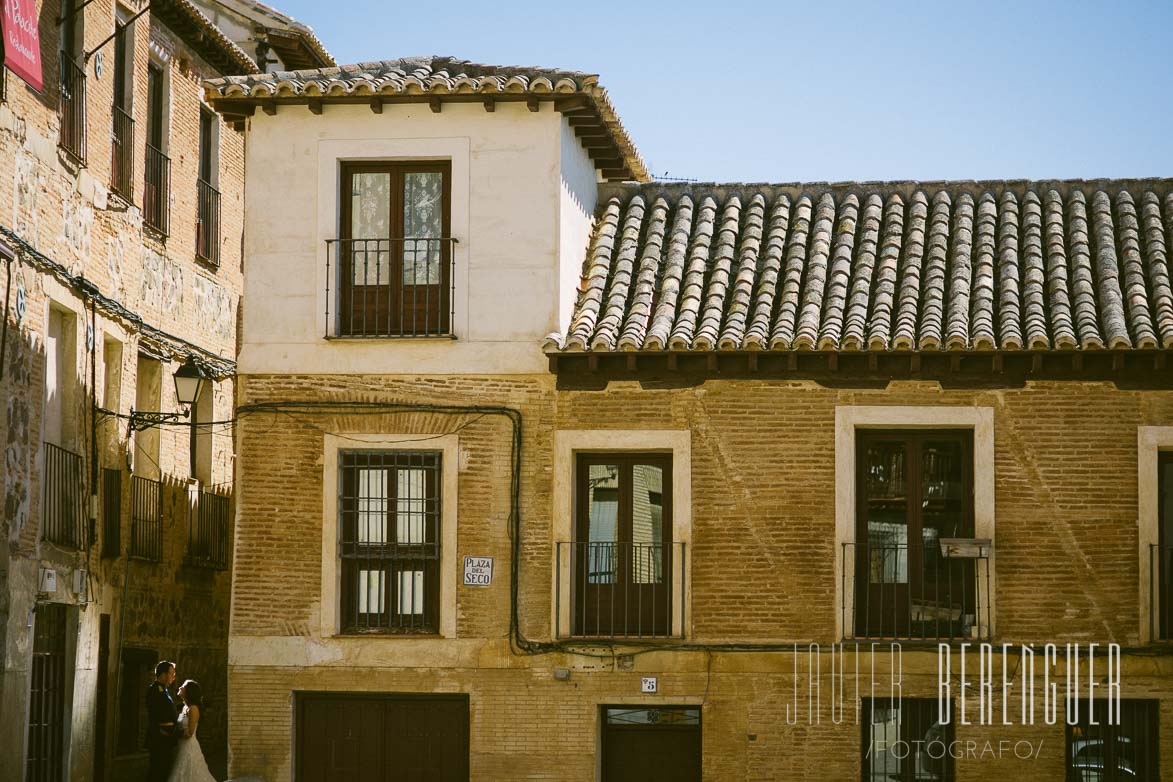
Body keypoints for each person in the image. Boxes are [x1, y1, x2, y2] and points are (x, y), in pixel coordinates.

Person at [167, 679, 217, 782]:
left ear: (189, 692)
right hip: (181, 746)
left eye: (183, 686)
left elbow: (190, 732)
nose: (180, 687)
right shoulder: (185, 707)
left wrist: (173, 733)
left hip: (188, 747)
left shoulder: (193, 708)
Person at [145, 661, 179, 782]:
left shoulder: (165, 690)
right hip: (160, 737)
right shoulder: (154, 690)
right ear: (163, 675)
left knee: (164, 771)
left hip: (166, 739)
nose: (173, 677)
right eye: (172, 674)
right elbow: (158, 715)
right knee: (157, 772)